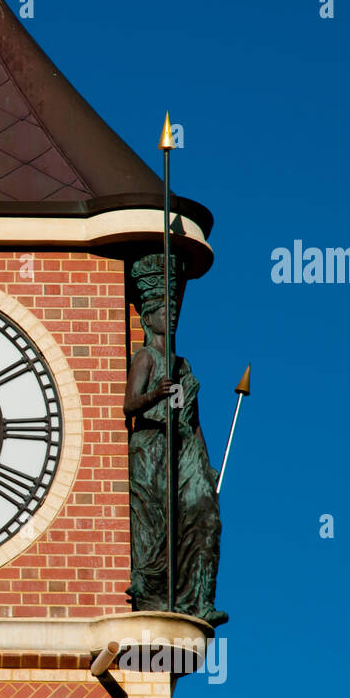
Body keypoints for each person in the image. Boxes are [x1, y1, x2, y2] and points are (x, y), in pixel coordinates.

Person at [123, 258, 226, 628]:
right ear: (147, 316)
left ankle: (200, 599)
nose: (171, 315)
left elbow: (192, 419)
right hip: (152, 447)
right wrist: (155, 395)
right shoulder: (146, 358)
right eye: (163, 309)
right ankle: (154, 591)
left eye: (174, 309)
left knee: (204, 512)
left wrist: (207, 464)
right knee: (159, 525)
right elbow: (129, 404)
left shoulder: (182, 365)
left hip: (184, 448)